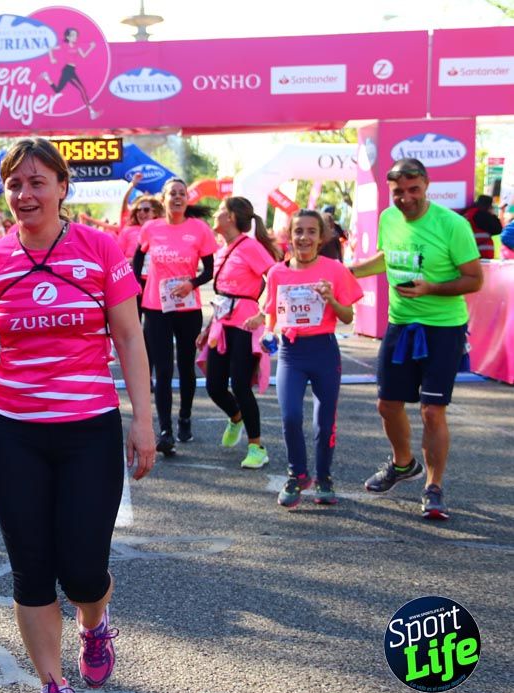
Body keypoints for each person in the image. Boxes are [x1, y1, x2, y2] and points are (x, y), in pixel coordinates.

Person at [0, 138, 155, 693]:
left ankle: (94, 623)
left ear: (61, 187)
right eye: (14, 184)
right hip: (11, 433)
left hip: (88, 430)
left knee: (82, 572)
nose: (25, 194)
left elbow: (129, 337)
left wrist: (143, 418)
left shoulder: (100, 249)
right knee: (31, 568)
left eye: (36, 182)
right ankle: (54, 689)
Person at [349, 158, 482, 520]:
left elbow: (474, 279)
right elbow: (386, 258)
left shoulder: (452, 225)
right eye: (398, 192)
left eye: (413, 190)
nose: (405, 198)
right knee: (387, 404)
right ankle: (403, 464)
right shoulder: (388, 218)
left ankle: (433, 487)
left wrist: (431, 288)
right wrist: (351, 271)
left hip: (443, 328)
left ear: (426, 185)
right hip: (400, 324)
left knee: (432, 411)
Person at [265, 210, 363, 508]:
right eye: (298, 231)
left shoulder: (335, 270)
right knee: (290, 416)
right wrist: (267, 332)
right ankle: (297, 474)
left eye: (311, 232)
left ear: (321, 238)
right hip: (291, 353)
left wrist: (331, 299)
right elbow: (272, 313)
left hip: (324, 351)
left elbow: (348, 317)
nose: (304, 237)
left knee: (324, 421)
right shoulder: (277, 272)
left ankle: (323, 477)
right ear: (290, 235)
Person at [200, 197, 280, 469]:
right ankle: (236, 416)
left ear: (231, 217)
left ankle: (257, 447)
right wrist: (207, 327)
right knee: (214, 385)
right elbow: (222, 295)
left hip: (245, 325)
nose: (215, 214)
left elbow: (275, 277)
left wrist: (264, 314)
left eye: (220, 210)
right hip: (221, 324)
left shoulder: (250, 246)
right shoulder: (223, 249)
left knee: (241, 385)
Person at [138, 178, 216, 454]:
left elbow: (210, 271)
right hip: (156, 307)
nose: (178, 197)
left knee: (185, 366)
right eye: (173, 193)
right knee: (162, 369)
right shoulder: (151, 228)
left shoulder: (199, 229)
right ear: (164, 199)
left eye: (182, 193)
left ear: (187, 199)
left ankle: (184, 417)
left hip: (187, 307)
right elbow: (137, 260)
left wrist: (191, 284)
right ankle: (165, 431)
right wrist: (137, 287)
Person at [39, 28, 101, 120]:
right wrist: (52, 58)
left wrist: (91, 47)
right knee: (82, 89)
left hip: (70, 70)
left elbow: (84, 56)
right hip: (68, 71)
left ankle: (46, 77)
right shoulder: (64, 46)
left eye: (76, 35)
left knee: (57, 90)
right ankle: (92, 112)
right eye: (73, 35)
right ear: (67, 37)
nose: (75, 37)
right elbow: (50, 48)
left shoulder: (77, 47)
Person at [462, 194, 501, 259]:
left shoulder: (467, 213)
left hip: (467, 250)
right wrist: (493, 215)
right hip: (483, 252)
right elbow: (497, 229)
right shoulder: (482, 215)